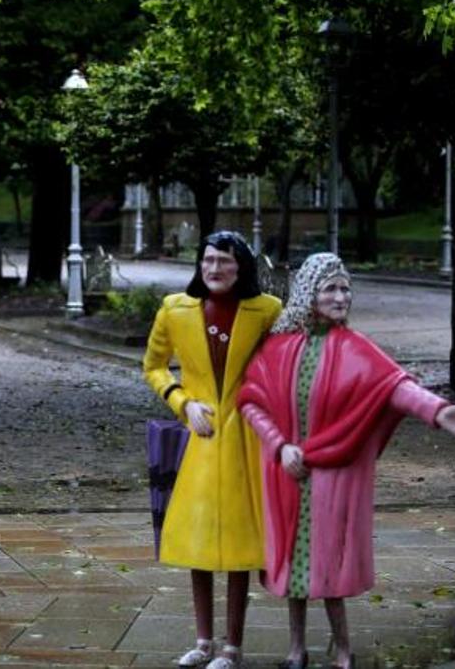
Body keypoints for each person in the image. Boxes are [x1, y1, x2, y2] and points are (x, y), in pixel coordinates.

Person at [237, 253, 455, 669]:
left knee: (331, 564)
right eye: (330, 288)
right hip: (287, 471)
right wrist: (280, 446)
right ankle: (296, 649)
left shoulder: (356, 349)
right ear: (309, 293)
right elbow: (251, 402)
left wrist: (438, 411)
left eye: (345, 287)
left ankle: (343, 649)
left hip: (335, 472)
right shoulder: (277, 349)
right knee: (294, 568)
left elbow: (396, 388)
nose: (340, 296)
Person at [142, 231, 283, 669]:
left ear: (241, 267)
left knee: (240, 543)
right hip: (199, 439)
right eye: (208, 260)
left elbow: (279, 364)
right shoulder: (175, 309)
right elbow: (153, 366)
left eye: (225, 261)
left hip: (246, 436)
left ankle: (233, 647)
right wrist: (183, 402)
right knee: (198, 541)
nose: (215, 269)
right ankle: (203, 641)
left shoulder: (267, 311)